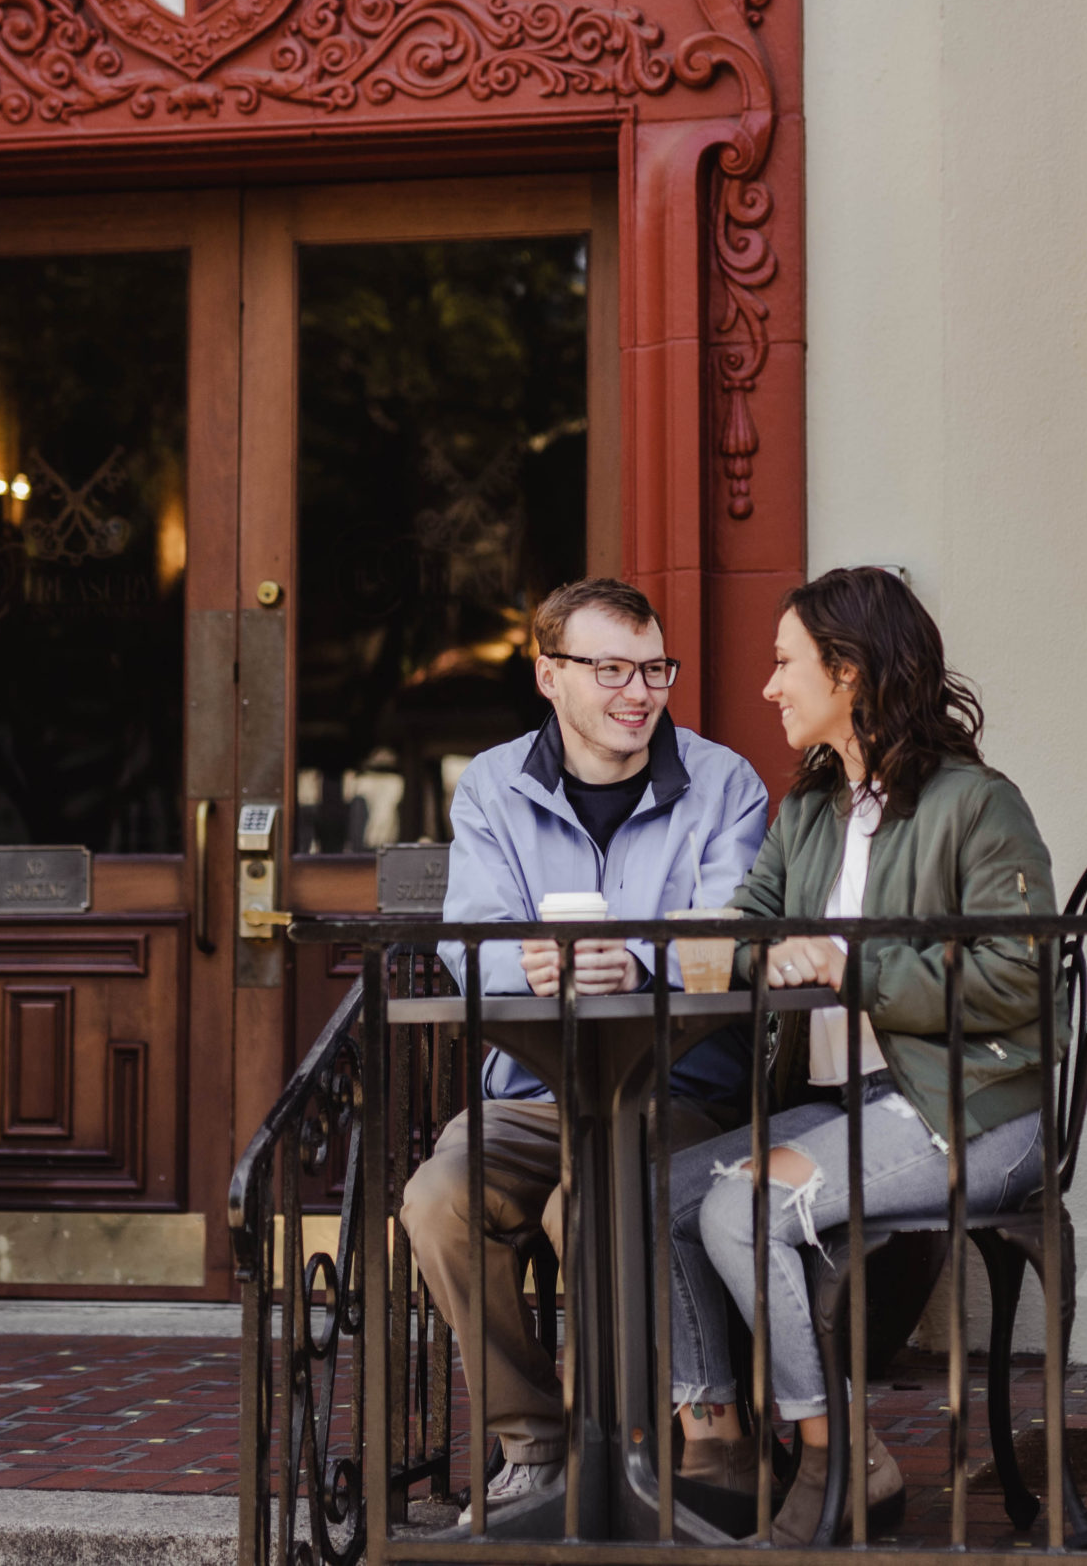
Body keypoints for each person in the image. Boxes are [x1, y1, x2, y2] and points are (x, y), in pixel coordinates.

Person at [660, 566, 1058, 1544]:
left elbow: (1019, 977)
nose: (769, 685)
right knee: (655, 1190)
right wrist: (763, 946)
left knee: (741, 1206)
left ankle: (835, 1459)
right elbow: (751, 923)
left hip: (974, 1111)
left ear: (847, 671)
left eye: (785, 662)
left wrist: (850, 963)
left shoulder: (975, 802)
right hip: (851, 1106)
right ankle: (717, 1447)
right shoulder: (808, 809)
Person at [402, 577, 771, 1515]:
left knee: (592, 1201)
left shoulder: (726, 784)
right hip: (533, 1087)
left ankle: (640, 1450)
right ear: (549, 675)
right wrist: (535, 970)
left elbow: (732, 935)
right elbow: (468, 941)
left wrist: (638, 965)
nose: (637, 692)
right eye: (609, 668)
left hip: (677, 1087)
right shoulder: (492, 783)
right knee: (438, 1197)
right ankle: (537, 1442)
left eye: (653, 668)